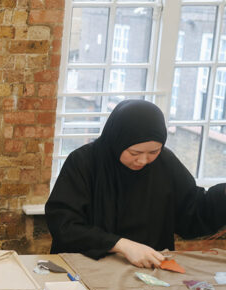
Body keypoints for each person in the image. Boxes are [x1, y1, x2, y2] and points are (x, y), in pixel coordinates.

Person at [46, 99, 226, 268]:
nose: (143, 160)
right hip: (88, 266)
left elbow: (192, 212)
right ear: (117, 141)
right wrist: (120, 245)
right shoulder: (84, 162)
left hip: (147, 269)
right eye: (134, 153)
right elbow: (64, 225)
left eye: (153, 152)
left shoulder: (164, 162)